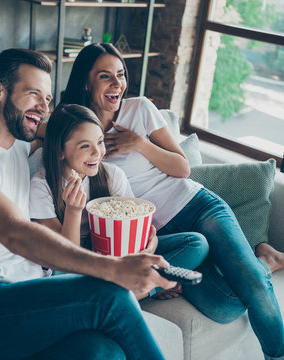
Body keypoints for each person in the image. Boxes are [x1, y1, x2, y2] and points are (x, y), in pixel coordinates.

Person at [59, 42, 284, 360]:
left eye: (121, 74)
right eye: (105, 76)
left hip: (197, 206)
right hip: (164, 233)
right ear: (85, 82)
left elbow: (182, 168)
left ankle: (280, 354)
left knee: (251, 283)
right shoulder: (74, 129)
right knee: (225, 306)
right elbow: (41, 137)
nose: (117, 84)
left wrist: (139, 143)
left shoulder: (139, 109)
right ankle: (265, 261)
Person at [0, 48, 178, 360]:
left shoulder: (18, 143)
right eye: (34, 94)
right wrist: (113, 268)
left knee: (103, 351)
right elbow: (12, 231)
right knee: (109, 297)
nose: (44, 107)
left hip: (26, 296)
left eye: (49, 98)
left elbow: (68, 126)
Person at [29, 103, 209, 299]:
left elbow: (136, 228)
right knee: (57, 277)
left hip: (116, 253)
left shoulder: (112, 175)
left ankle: (133, 290)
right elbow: (64, 258)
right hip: (76, 262)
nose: (97, 152)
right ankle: (142, 291)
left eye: (99, 142)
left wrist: (150, 244)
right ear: (60, 151)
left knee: (196, 244)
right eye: (85, 146)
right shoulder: (41, 186)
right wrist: (73, 210)